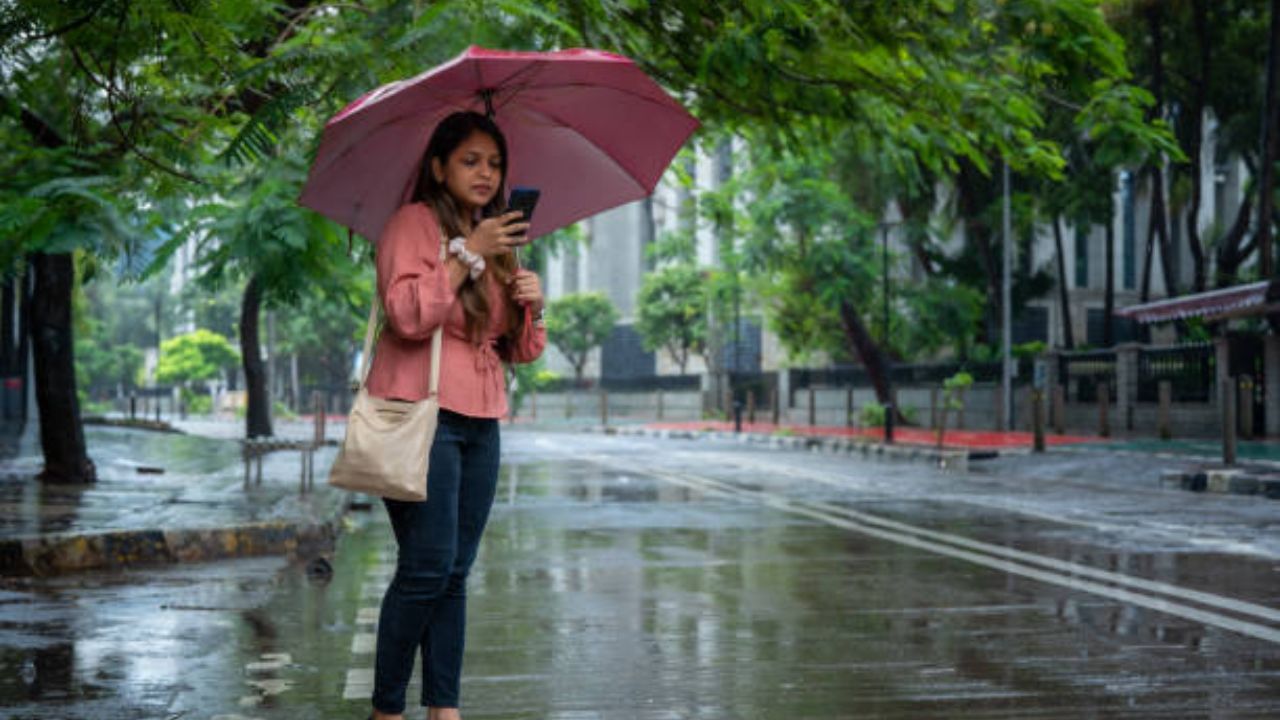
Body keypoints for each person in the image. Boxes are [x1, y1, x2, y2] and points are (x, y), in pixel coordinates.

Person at [364, 110, 546, 720]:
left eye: (494, 163)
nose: (486, 174)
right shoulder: (411, 225)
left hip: (481, 419)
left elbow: (515, 349)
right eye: (471, 160)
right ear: (439, 166)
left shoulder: (498, 240)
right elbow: (408, 315)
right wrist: (468, 253)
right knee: (426, 567)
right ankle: (388, 708)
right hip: (422, 412)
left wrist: (532, 305)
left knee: (455, 572)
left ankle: (445, 707)